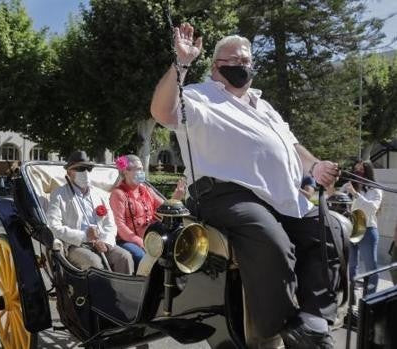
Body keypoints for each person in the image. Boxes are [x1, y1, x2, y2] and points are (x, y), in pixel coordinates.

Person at [150, 23, 341, 348]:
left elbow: (292, 146)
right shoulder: (197, 94)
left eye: (246, 61)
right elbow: (161, 110)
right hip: (224, 195)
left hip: (280, 197)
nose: (242, 66)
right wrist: (180, 64)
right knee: (270, 239)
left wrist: (315, 165)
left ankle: (315, 317)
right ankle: (285, 325)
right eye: (233, 61)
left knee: (328, 230)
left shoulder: (265, 106)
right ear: (215, 67)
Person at [47, 150, 134, 274]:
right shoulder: (59, 194)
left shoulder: (99, 194)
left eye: (88, 168)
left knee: (125, 257)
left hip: (101, 242)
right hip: (75, 245)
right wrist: (84, 235)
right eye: (80, 169)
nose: (85, 173)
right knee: (94, 263)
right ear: (69, 172)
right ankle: (102, 293)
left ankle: (123, 293)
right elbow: (53, 227)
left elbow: (110, 224)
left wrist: (106, 243)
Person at [109, 154, 185, 267]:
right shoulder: (118, 194)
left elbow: (164, 208)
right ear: (126, 171)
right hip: (129, 241)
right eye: (139, 169)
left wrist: (176, 198)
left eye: (142, 169)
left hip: (153, 238)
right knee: (143, 257)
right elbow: (120, 226)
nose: (142, 172)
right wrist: (139, 241)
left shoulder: (146, 190)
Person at [342, 160, 382, 294]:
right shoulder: (348, 186)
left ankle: (368, 301)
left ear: (368, 172)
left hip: (367, 229)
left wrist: (355, 194)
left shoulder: (375, 189)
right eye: (355, 169)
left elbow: (372, 208)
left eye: (361, 170)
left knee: (371, 269)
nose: (357, 172)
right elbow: (335, 199)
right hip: (350, 228)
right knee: (352, 267)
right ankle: (351, 301)